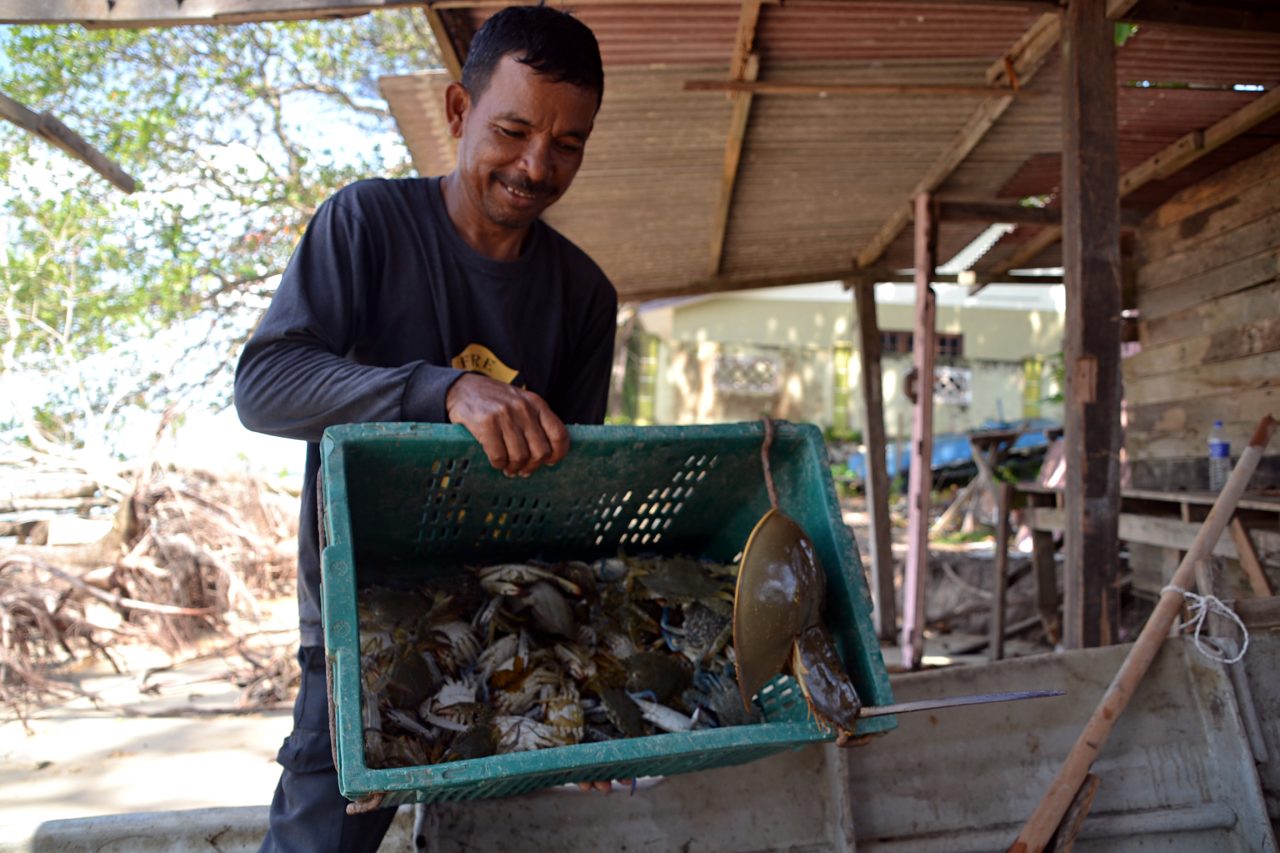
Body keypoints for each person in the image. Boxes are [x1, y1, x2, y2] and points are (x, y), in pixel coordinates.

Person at [234, 7, 617, 850]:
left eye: (568, 144)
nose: (536, 166)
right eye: (513, 130)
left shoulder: (586, 296)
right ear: (457, 112)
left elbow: (568, 502)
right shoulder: (366, 224)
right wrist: (443, 392)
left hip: (500, 630)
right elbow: (265, 384)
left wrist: (578, 678)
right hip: (355, 620)